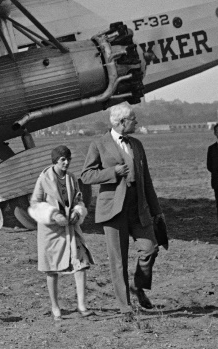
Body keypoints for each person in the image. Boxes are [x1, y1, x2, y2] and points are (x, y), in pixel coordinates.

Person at [79, 103, 165, 317]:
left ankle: (138, 286)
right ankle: (124, 306)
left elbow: (147, 180)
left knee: (150, 248)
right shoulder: (99, 144)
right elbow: (86, 176)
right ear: (122, 122)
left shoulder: (137, 144)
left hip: (139, 208)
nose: (137, 122)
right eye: (133, 119)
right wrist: (112, 172)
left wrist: (157, 210)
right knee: (118, 260)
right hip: (113, 210)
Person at [28, 146, 93, 319]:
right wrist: (53, 215)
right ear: (55, 161)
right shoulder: (44, 178)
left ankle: (81, 304)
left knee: (81, 263)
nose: (66, 162)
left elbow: (79, 198)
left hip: (70, 228)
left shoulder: (72, 178)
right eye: (63, 159)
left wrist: (77, 212)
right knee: (51, 268)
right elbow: (35, 202)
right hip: (51, 231)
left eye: (68, 159)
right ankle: (55, 306)